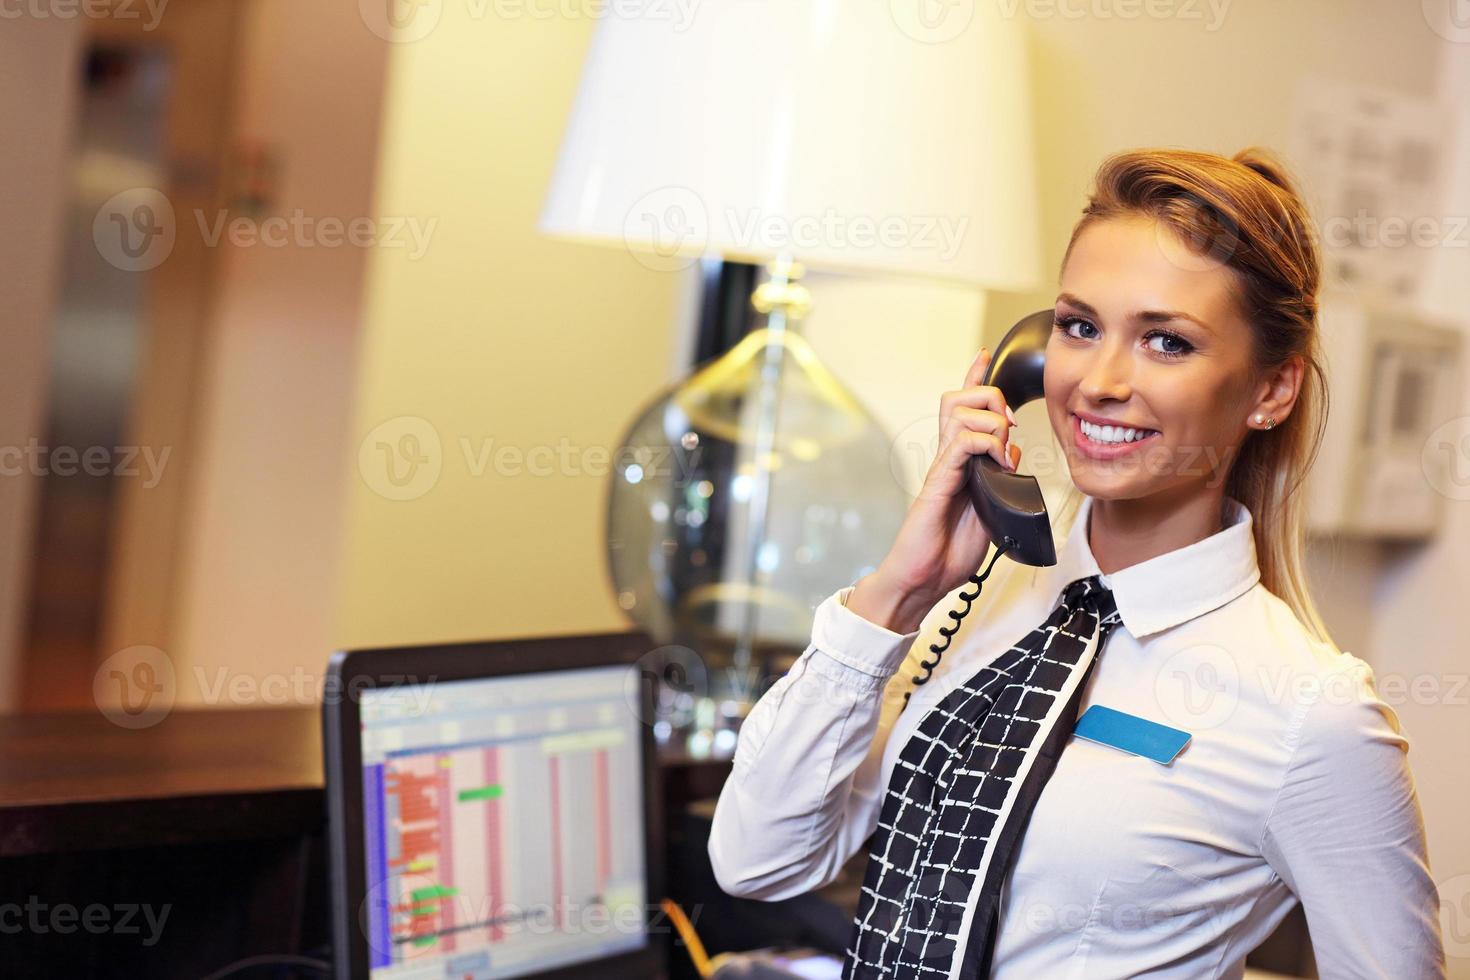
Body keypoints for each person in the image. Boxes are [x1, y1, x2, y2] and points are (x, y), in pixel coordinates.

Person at [706, 147, 1446, 979]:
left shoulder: (1315, 715)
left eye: (1166, 342)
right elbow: (758, 863)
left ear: (1272, 391)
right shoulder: (977, 603)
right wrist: (897, 595)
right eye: (1079, 327)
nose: (1098, 381)